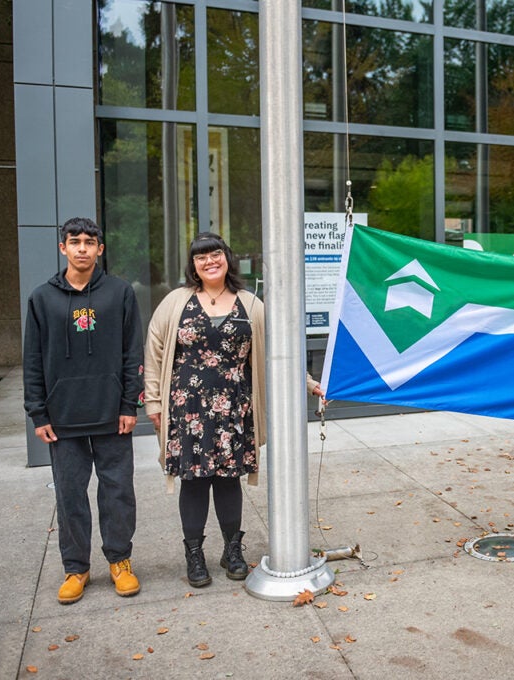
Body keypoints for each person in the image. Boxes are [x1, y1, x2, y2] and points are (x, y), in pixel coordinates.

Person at [144, 232, 324, 588]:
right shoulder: (176, 302)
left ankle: (232, 549)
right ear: (192, 264)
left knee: (228, 481)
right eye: (200, 257)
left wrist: (309, 383)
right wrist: (153, 400)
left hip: (233, 409)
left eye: (215, 254)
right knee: (193, 483)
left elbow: (279, 352)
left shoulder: (251, 304)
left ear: (227, 258)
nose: (209, 261)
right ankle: (194, 554)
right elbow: (155, 351)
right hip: (187, 409)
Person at [23, 217, 144, 604]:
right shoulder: (42, 298)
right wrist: (38, 413)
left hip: (112, 414)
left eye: (89, 242)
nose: (81, 248)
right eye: (74, 242)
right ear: (63, 247)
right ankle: (76, 568)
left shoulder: (120, 293)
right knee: (70, 496)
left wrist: (129, 404)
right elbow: (32, 360)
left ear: (100, 249)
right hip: (63, 418)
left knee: (117, 492)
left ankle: (119, 561)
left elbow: (132, 354)